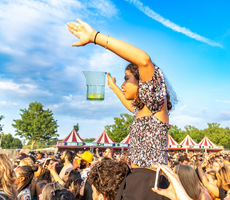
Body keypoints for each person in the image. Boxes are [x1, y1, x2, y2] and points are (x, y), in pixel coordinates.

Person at [67, 18, 175, 199]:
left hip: (149, 185)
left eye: (127, 78)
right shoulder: (144, 111)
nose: (124, 84)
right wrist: (113, 87)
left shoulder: (155, 103)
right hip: (139, 181)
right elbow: (129, 105)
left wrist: (95, 37)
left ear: (144, 83)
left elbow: (144, 60)